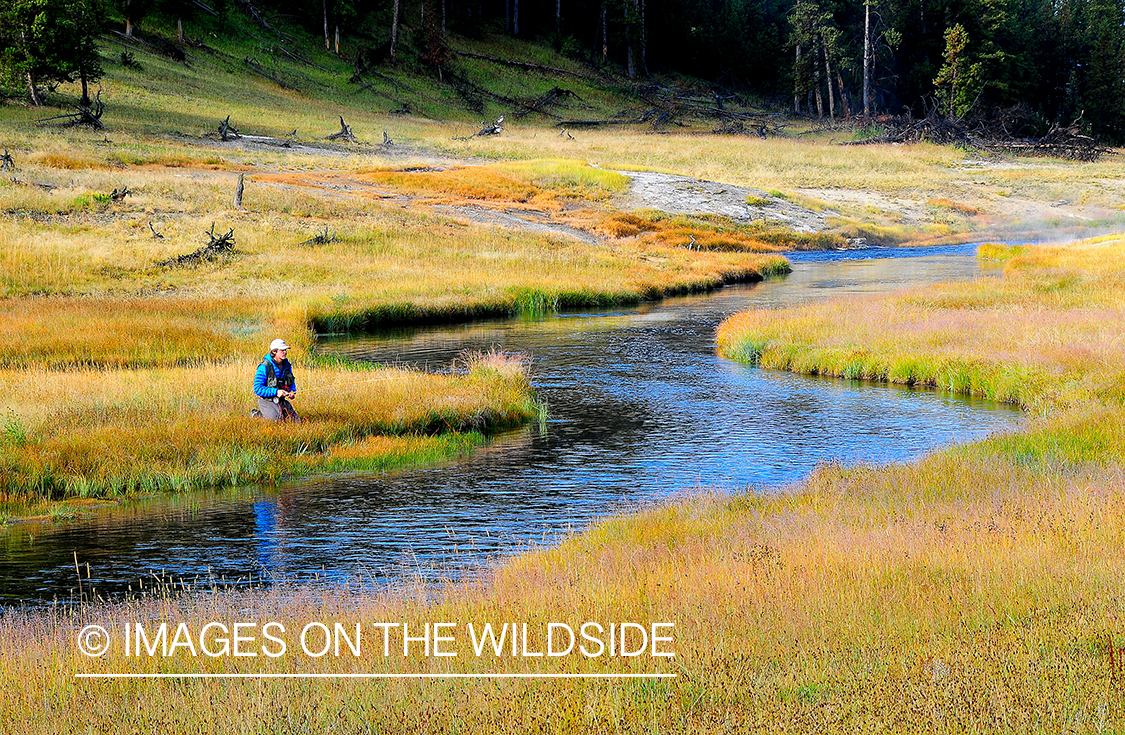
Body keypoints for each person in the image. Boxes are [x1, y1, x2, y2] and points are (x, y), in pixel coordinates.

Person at [253, 338, 300, 422]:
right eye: (282, 350)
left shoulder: (287, 366)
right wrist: (276, 392)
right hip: (266, 400)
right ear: (274, 352)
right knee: (276, 420)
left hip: (281, 400)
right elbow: (257, 388)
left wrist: (292, 391)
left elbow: (291, 381)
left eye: (285, 350)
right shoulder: (264, 367)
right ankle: (257, 415)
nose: (285, 352)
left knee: (296, 421)